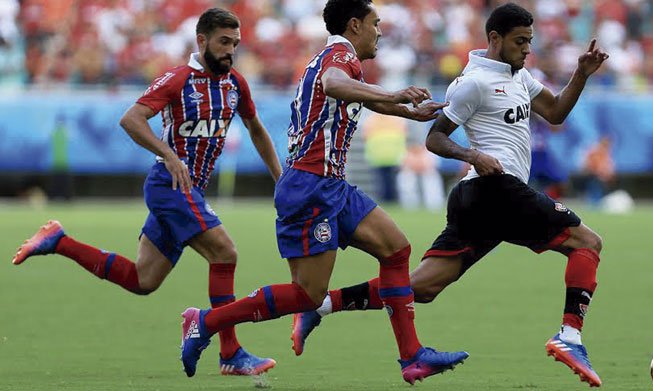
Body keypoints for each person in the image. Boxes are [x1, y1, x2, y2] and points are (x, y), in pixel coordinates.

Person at [290, 3, 609, 387]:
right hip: (495, 189)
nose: (527, 49)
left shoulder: (521, 77)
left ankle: (319, 308)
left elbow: (555, 112)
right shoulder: (472, 82)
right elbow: (435, 137)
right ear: (495, 38)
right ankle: (570, 336)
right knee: (587, 241)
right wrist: (471, 153)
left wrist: (581, 74)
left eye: (530, 41)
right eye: (520, 41)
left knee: (423, 287)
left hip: (482, 198)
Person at [178, 0, 468, 384]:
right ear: (354, 26)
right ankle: (205, 322)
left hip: (329, 184)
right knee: (307, 295)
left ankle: (412, 355)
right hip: (312, 185)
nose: (379, 31)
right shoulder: (339, 57)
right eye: (375, 23)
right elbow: (334, 85)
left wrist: (408, 113)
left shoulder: (339, 60)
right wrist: (395, 94)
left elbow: (344, 96)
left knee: (396, 249)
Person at [12, 8, 282, 378]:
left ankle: (58, 241)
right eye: (223, 42)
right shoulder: (178, 79)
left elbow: (256, 129)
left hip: (190, 192)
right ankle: (228, 350)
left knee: (144, 280)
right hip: (168, 187)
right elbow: (131, 118)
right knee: (225, 252)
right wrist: (168, 154)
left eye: (235, 43)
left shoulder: (235, 83)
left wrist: (280, 180)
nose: (230, 50)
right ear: (201, 40)